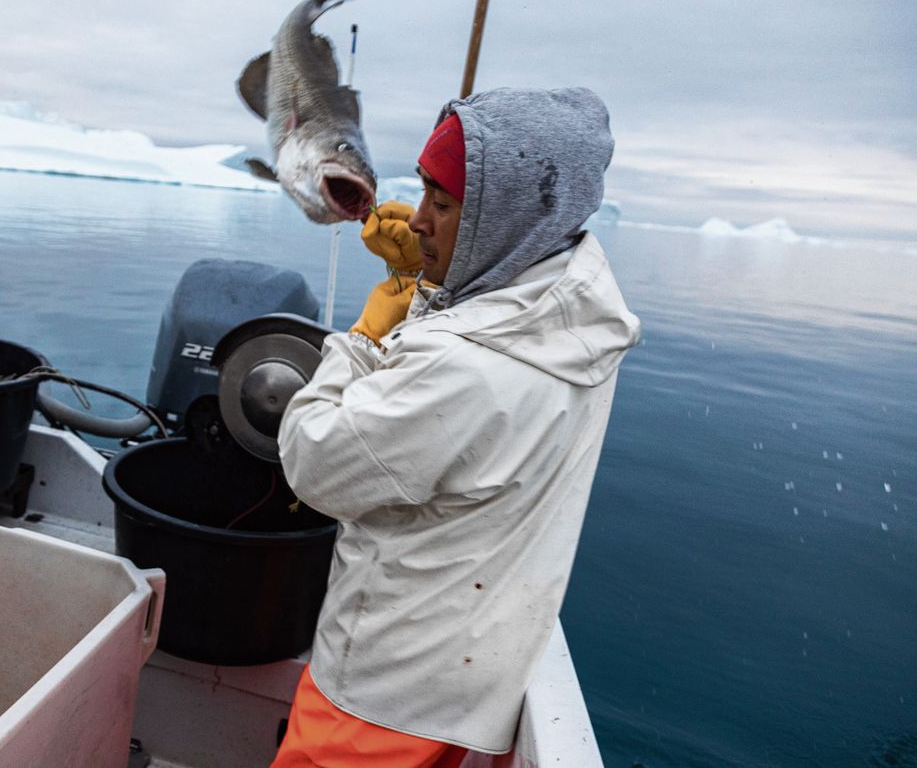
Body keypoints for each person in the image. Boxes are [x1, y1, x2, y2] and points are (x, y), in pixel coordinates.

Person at [272, 87, 642, 766]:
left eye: (440, 204)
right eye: (423, 194)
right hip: (466, 689)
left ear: (502, 223)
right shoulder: (572, 313)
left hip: (379, 696)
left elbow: (312, 457)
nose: (416, 221)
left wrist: (362, 337)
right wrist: (435, 287)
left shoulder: (463, 366)